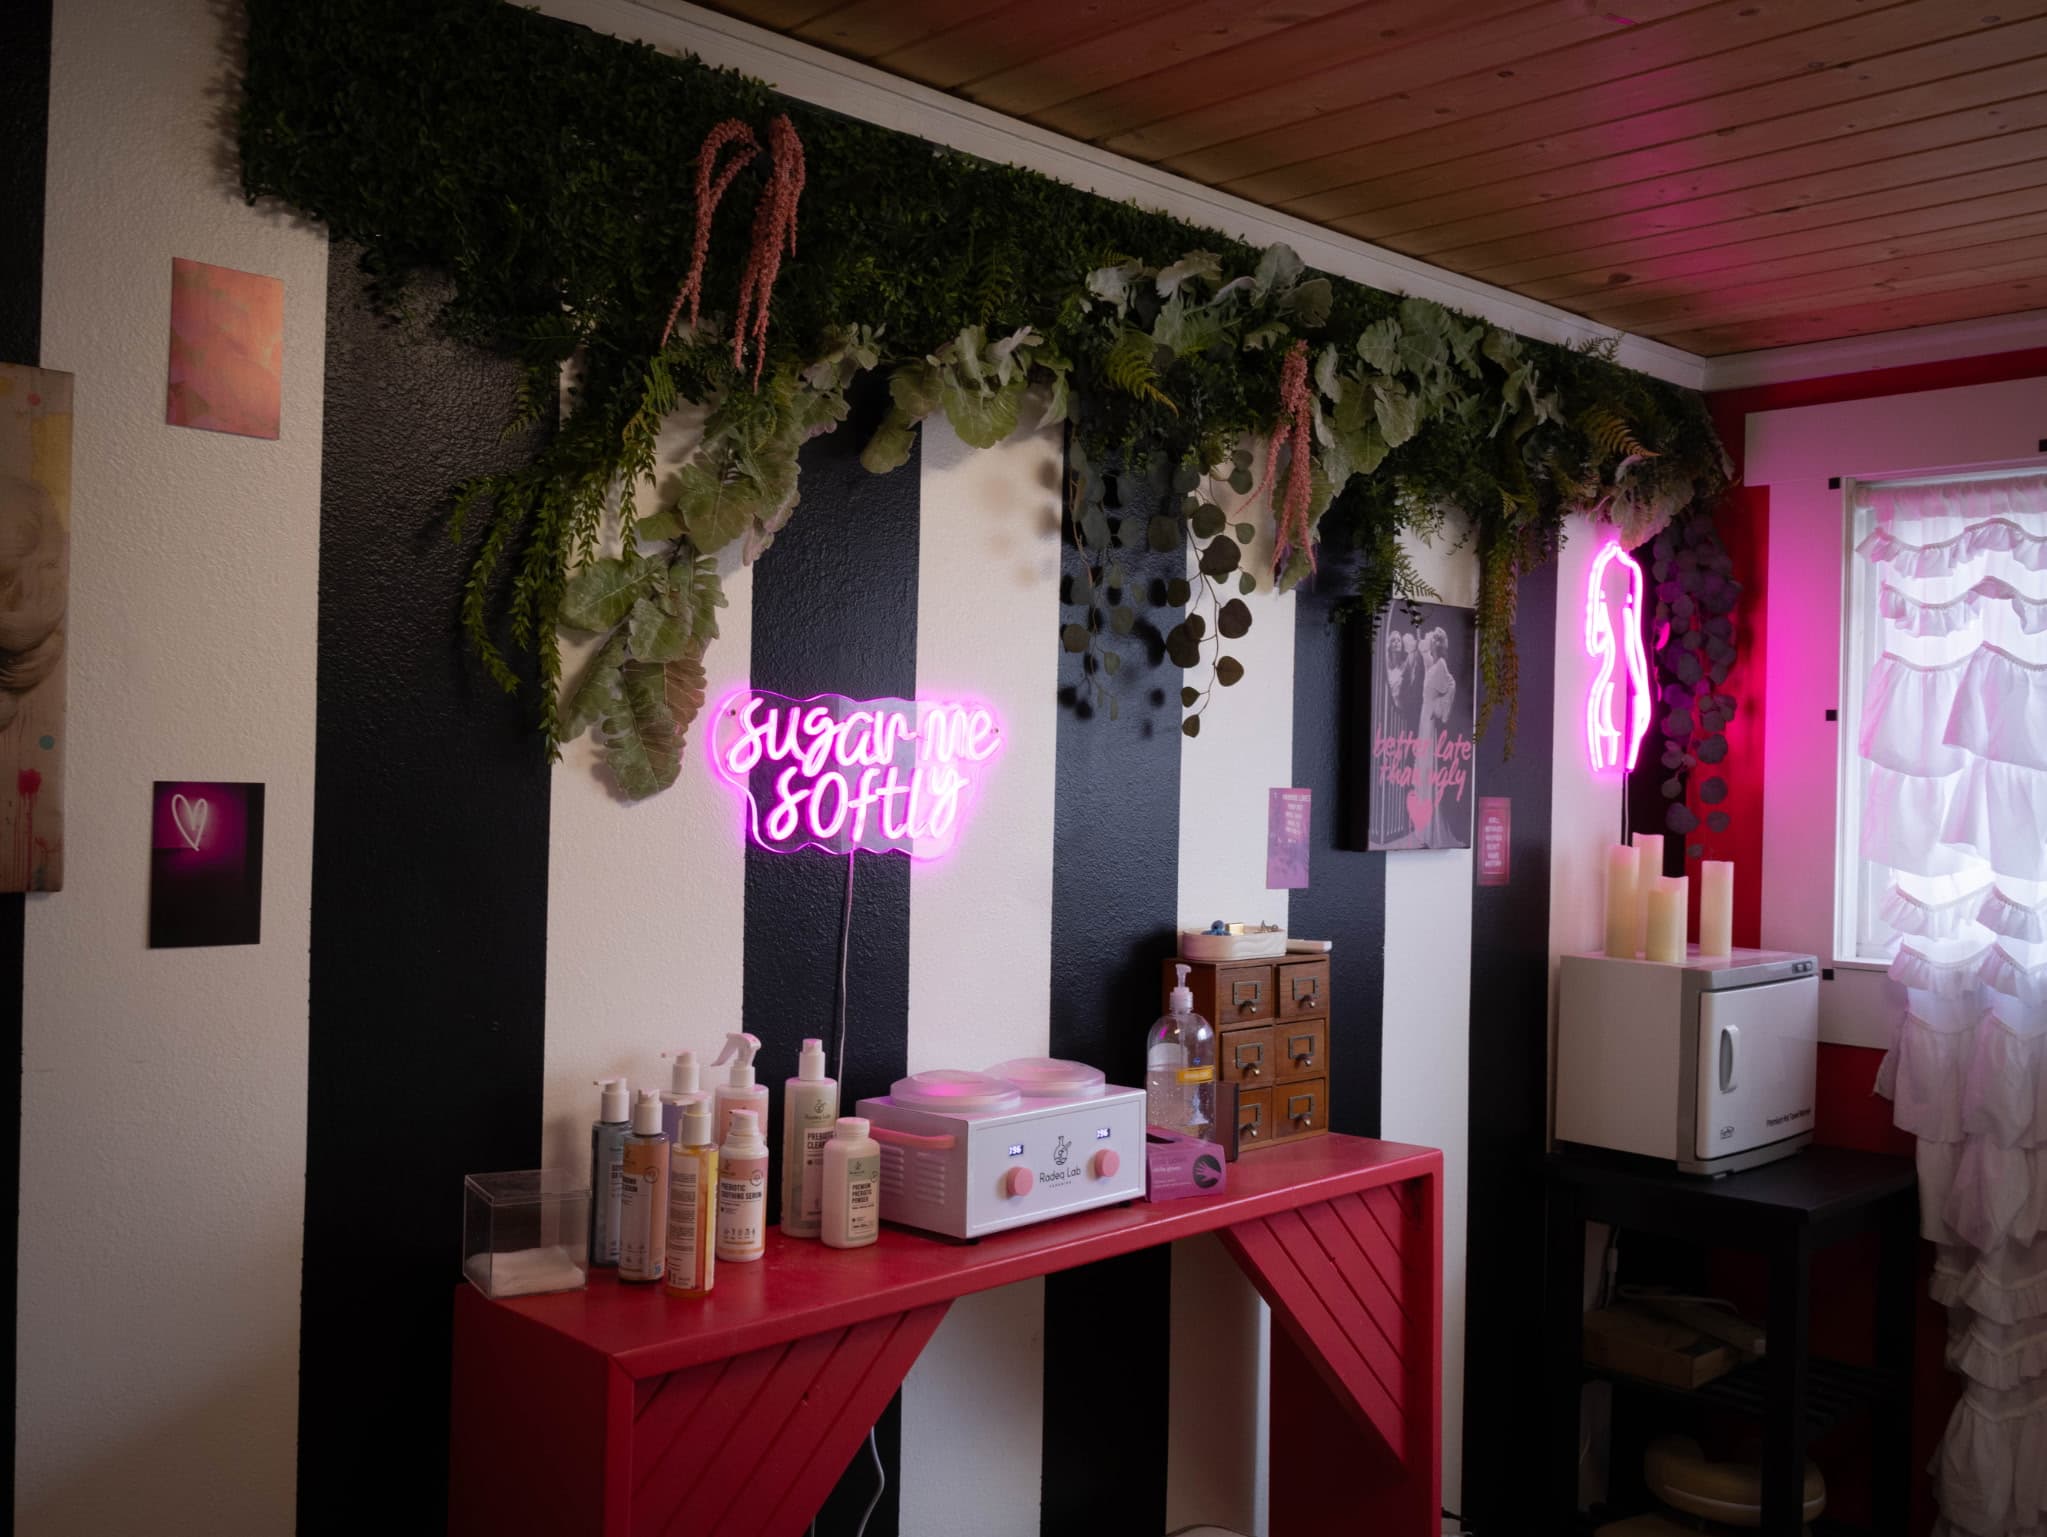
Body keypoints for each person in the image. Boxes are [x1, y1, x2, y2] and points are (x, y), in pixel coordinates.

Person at [1416, 628, 1457, 847]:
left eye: (1432, 640)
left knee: (1428, 767)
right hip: (1424, 717)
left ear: (1436, 644)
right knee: (1422, 768)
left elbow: (1451, 685)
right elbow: (1422, 650)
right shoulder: (1432, 664)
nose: (1429, 642)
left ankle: (1430, 829)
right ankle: (1422, 828)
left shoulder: (1440, 666)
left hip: (1429, 718)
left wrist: (1438, 708)